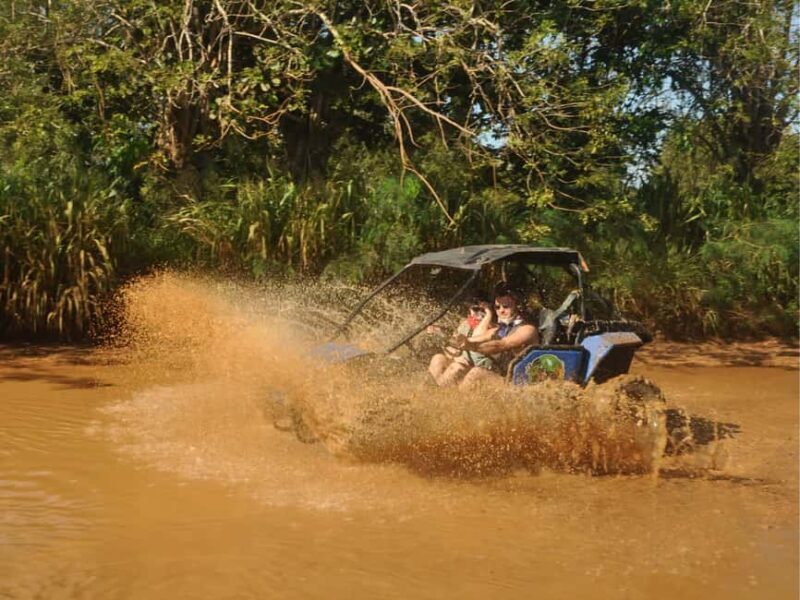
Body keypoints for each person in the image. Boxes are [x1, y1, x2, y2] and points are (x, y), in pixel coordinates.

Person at [430, 282, 539, 388]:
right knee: (444, 362)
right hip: (498, 376)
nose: (501, 311)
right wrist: (448, 336)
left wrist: (470, 345)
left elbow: (500, 345)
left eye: (505, 307)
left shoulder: (528, 330)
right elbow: (474, 339)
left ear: (518, 306)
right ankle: (437, 397)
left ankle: (454, 402)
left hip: (516, 383)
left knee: (475, 374)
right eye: (497, 307)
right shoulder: (497, 329)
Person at [428, 296, 496, 386]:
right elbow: (454, 349)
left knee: (456, 367)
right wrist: (439, 334)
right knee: (438, 359)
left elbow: (477, 336)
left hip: (481, 369)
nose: (476, 313)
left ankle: (437, 391)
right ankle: (435, 388)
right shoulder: (465, 324)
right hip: (464, 362)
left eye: (481, 310)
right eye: (474, 309)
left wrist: (488, 315)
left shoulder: (491, 327)